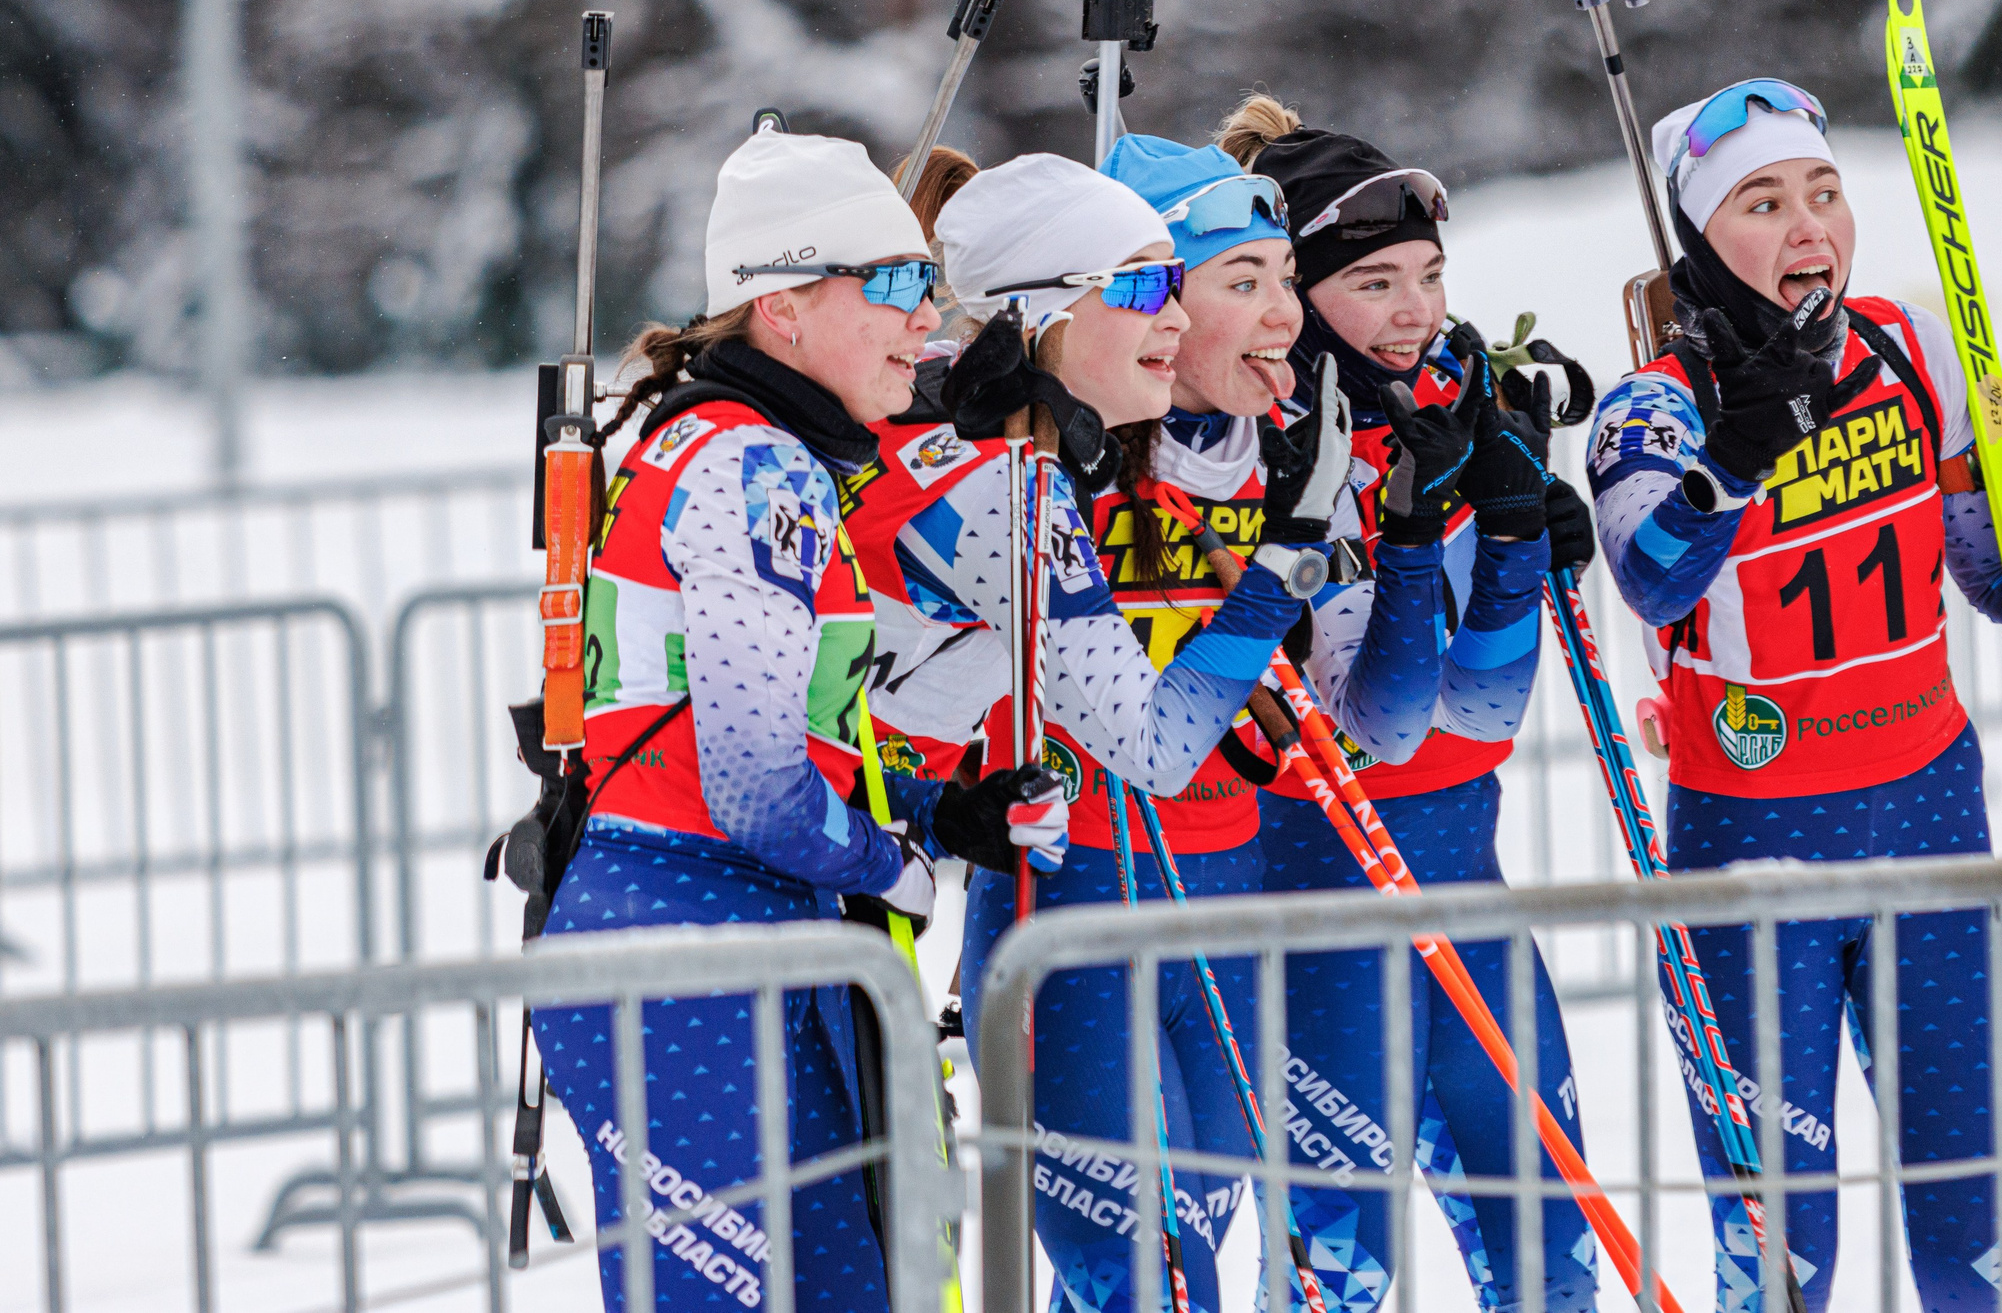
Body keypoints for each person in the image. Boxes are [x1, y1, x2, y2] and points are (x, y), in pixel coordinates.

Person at [1585, 80, 2002, 1313]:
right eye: (1761, 203)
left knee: (1972, 1246)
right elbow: (1646, 575)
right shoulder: (1654, 408)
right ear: (1699, 240)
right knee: (1782, 1267)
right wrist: (1735, 453)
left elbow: (1986, 560)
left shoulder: (1906, 349)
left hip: (1931, 828)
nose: (1807, 226)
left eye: (1824, 193)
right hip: (1751, 857)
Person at [529, 126, 1070, 1313]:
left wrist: (942, 812)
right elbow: (757, 789)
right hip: (691, 953)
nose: (922, 316)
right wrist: (898, 866)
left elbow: (778, 742)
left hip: (738, 934)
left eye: (924, 281)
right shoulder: (753, 468)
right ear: (778, 307)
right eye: (891, 283)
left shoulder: (757, 452)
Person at [840, 148, 1372, 1313]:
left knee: (1163, 1281)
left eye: (1173, 285)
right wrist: (1280, 568)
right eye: (1139, 287)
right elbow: (1156, 747)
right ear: (1035, 315)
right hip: (877, 916)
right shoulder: (997, 484)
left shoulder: (1011, 462)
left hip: (887, 891)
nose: (1173, 317)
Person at [1218, 95, 1602, 1313]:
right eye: (1373, 283)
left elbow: (1483, 720)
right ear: (1293, 296)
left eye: (1428, 277)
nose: (1413, 311)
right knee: (1342, 1279)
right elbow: (1372, 735)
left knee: (1553, 1263)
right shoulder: (1265, 453)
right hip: (1322, 906)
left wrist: (1513, 532)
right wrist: (1417, 535)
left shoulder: (1445, 411)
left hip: (1465, 888)